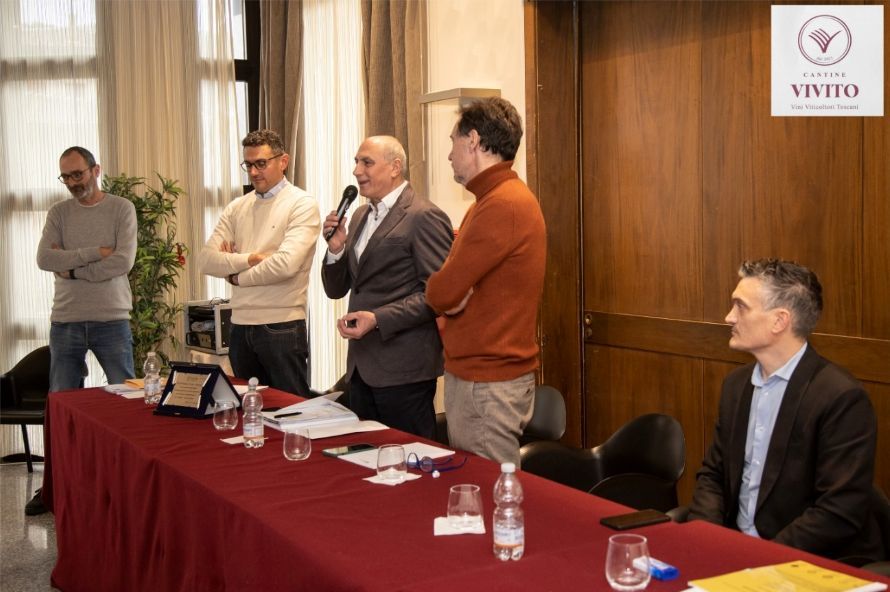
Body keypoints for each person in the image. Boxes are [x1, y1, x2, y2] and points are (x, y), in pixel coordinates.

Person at [689, 259, 882, 562]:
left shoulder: (842, 397)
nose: (728, 317)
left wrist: (761, 558)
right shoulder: (735, 386)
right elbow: (713, 475)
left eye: (740, 307)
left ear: (780, 321)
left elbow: (839, 511)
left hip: (805, 561)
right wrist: (710, 540)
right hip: (734, 552)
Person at [425, 97, 547, 466]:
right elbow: (449, 288)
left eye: (452, 142)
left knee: (490, 496)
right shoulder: (488, 200)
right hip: (482, 377)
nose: (449, 155)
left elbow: (440, 291)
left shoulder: (501, 204)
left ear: (473, 141)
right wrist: (452, 291)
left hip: (487, 382)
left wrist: (451, 292)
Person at [321, 136, 453, 439]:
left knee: (410, 462)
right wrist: (336, 250)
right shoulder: (358, 216)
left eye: (366, 162)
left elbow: (437, 296)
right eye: (356, 162)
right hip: (360, 367)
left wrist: (378, 318)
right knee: (366, 460)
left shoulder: (423, 216)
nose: (356, 170)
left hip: (404, 369)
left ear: (395, 167)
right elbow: (335, 289)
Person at [31, 146, 138, 515]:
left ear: (96, 170)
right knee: (61, 405)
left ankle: (128, 482)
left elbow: (124, 260)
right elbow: (46, 259)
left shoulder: (121, 208)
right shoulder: (59, 212)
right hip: (67, 321)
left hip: (113, 319)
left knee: (127, 402)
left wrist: (72, 267)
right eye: (66, 177)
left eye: (78, 174)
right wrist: (95, 252)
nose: (73, 183)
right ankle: (55, 486)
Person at [200, 129, 320, 396]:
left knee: (291, 411)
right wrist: (251, 258)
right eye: (249, 165)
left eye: (261, 164)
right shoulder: (236, 207)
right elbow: (206, 261)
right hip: (240, 324)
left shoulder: (302, 204)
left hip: (283, 324)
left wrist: (236, 275)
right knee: (250, 410)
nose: (254, 172)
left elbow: (285, 265)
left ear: (283, 161)